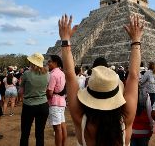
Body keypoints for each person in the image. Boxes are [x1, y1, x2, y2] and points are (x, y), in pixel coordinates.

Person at [58, 14, 144, 146]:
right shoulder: (125, 120)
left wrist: (65, 40)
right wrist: (136, 40)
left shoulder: (81, 120)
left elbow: (69, 75)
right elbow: (133, 75)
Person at [19, 53, 49, 146]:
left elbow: (21, 91)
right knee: (40, 133)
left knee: (25, 132)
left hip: (29, 105)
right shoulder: (47, 74)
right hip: (43, 104)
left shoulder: (27, 74)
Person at [47, 55, 67, 146]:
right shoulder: (62, 73)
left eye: (50, 61)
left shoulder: (53, 74)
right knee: (62, 127)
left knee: (57, 129)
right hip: (62, 102)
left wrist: (46, 97)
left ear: (55, 63)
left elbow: (50, 92)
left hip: (54, 102)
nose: (48, 63)